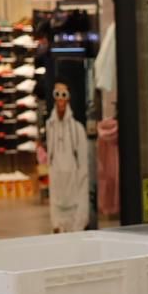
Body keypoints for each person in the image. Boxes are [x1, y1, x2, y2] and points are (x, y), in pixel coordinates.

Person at [43, 83, 90, 233]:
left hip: (74, 204)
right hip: (58, 202)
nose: (60, 99)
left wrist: (81, 219)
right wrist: (54, 221)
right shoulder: (50, 127)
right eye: (57, 94)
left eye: (64, 94)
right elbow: (51, 171)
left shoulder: (78, 130)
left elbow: (83, 173)